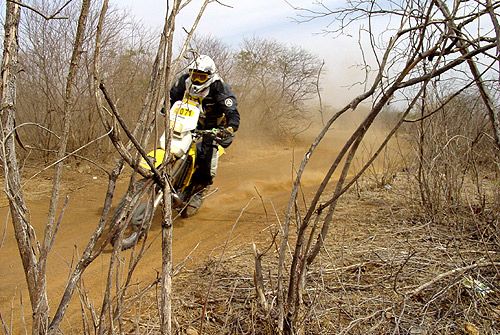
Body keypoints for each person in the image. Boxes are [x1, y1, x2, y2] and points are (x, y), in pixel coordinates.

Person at [168, 54, 240, 211]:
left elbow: (232, 112)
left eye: (202, 77)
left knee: (206, 158)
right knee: (169, 146)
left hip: (211, 126)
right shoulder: (184, 81)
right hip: (185, 122)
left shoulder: (219, 88)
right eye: (195, 75)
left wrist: (229, 129)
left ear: (210, 76)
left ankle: (198, 192)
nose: (197, 80)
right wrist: (163, 110)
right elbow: (172, 98)